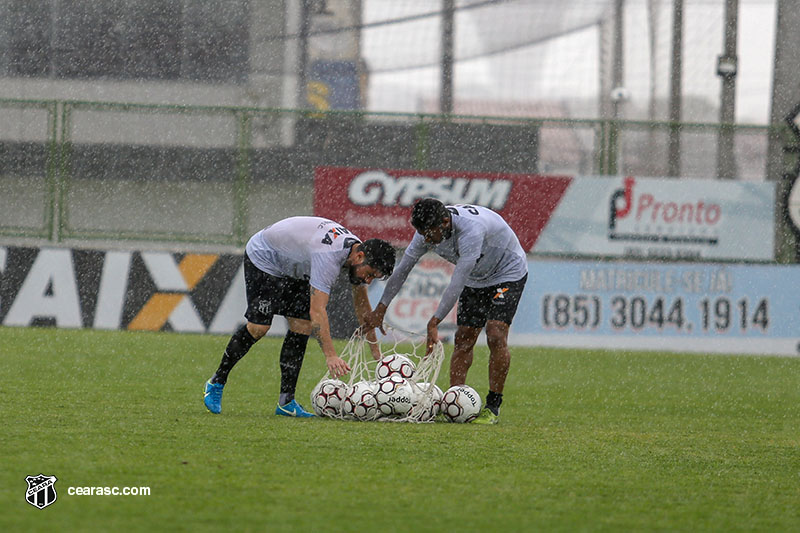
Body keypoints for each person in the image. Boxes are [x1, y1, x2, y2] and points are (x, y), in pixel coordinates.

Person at [204, 216, 395, 417]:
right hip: (265, 257)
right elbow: (317, 311)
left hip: (295, 265)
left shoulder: (357, 253)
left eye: (373, 277)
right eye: (369, 274)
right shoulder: (329, 257)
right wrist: (330, 355)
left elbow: (363, 308)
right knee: (259, 328)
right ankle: (216, 382)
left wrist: (376, 354)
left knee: (302, 325)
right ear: (359, 256)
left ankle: (286, 402)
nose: (368, 280)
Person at [365, 198, 527, 425]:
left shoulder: (471, 231)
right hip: (476, 278)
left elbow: (457, 280)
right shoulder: (425, 232)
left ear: (444, 222)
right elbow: (403, 269)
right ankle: (455, 402)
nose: (426, 239)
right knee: (464, 338)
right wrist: (381, 307)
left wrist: (434, 321)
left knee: (495, 333)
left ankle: (493, 406)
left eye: (429, 233)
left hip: (507, 273)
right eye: (422, 233)